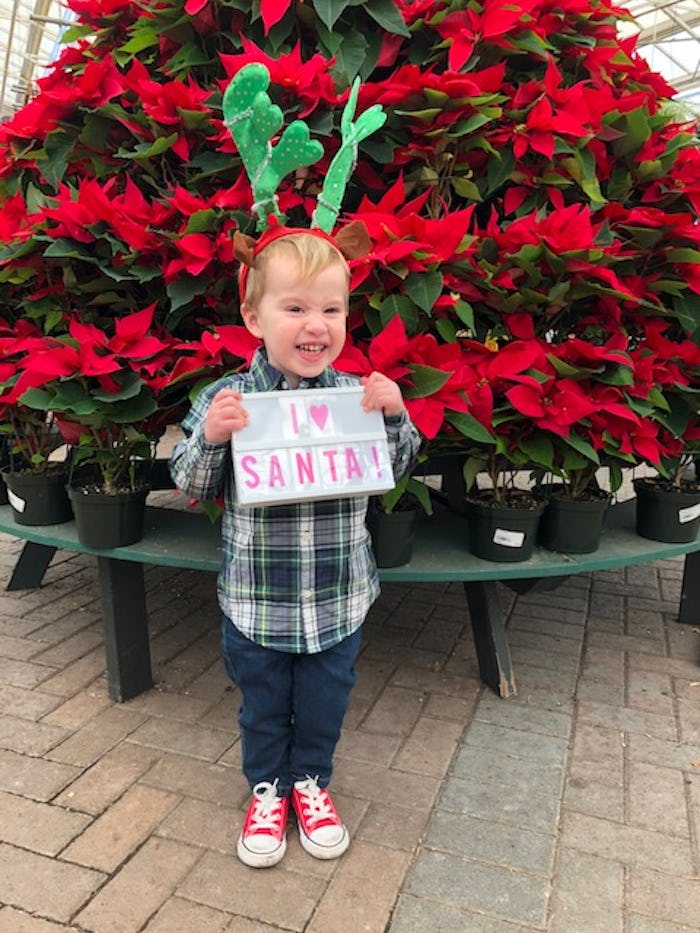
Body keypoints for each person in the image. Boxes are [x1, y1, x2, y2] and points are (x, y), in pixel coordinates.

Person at [170, 227, 421, 869]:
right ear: (254, 318)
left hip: (338, 598)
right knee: (260, 705)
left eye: (331, 309)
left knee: (323, 702)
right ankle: (267, 789)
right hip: (256, 600)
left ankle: (311, 782)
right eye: (296, 308)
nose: (317, 325)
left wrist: (394, 415)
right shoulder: (227, 400)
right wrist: (215, 440)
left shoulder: (357, 396)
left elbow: (393, 468)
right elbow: (190, 482)